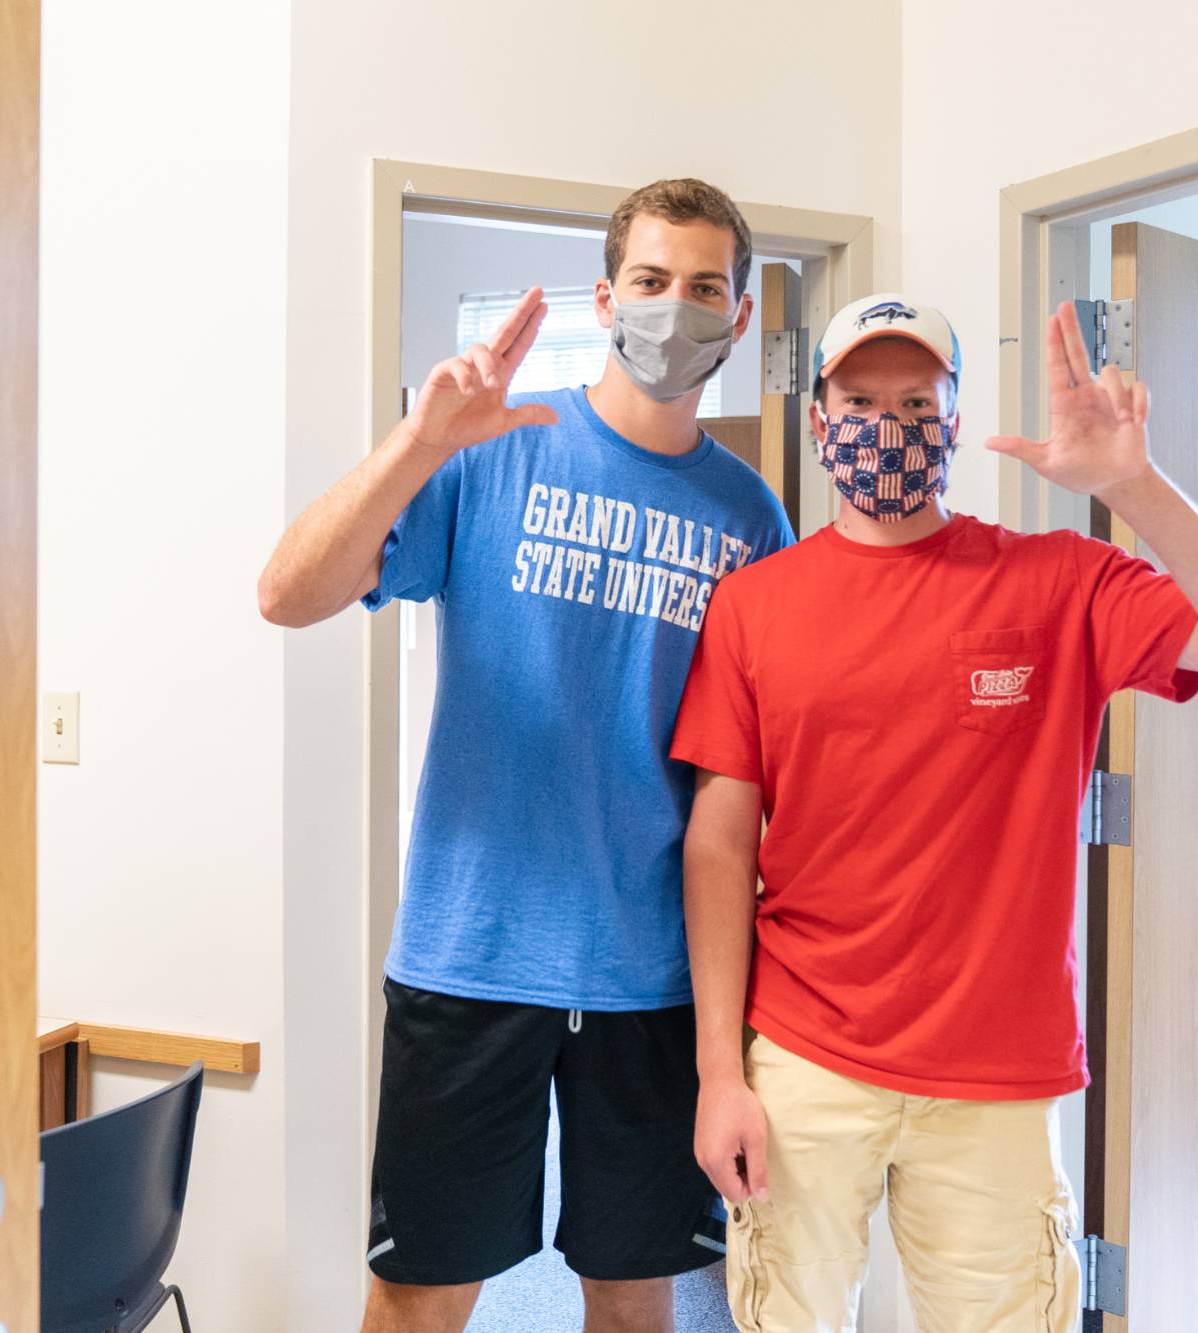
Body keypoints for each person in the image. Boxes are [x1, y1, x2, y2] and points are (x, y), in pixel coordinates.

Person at [670, 294, 1198, 1331]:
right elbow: (715, 844)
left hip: (996, 1072)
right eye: (860, 398)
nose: (887, 422)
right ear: (817, 419)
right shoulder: (755, 604)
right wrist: (716, 1073)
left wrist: (1132, 485)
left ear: (956, 416)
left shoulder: (1056, 583)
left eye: (915, 398)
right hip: (802, 1053)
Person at [258, 179, 796, 1333]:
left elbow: (743, 784)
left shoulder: (752, 520)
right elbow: (286, 593)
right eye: (651, 282)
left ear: (739, 317)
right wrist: (416, 440)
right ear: (607, 297)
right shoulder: (496, 450)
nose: (674, 308)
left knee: (633, 1291)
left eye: (704, 287)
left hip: (647, 975)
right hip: (471, 954)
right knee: (419, 1293)